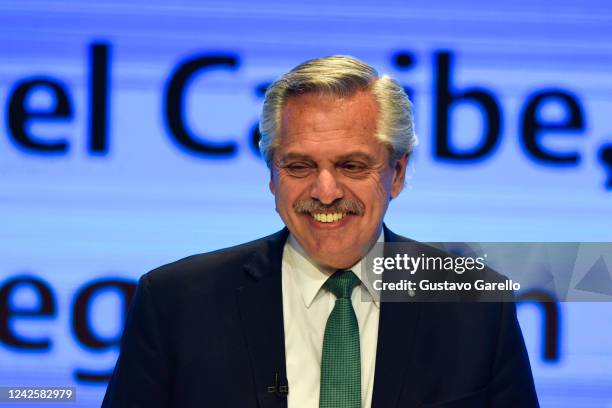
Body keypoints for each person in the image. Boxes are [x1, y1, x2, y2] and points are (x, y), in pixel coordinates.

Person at [102, 56, 539, 407]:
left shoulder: (474, 304)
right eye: (299, 166)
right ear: (272, 175)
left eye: (351, 166)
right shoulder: (177, 302)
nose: (325, 192)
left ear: (398, 173)